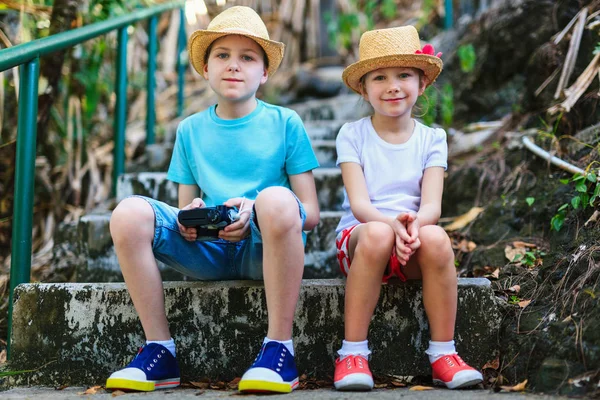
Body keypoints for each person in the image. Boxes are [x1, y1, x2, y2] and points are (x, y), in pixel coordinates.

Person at [105, 6, 320, 394]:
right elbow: (187, 204)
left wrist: (254, 211)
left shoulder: (286, 122)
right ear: (205, 69)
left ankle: (279, 349)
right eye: (222, 55)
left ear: (264, 73)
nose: (233, 66)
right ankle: (160, 350)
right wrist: (192, 219)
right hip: (209, 253)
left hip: (263, 248)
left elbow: (311, 215)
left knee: (275, 199)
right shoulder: (189, 130)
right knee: (128, 213)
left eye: (247, 57)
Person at [332, 25, 483, 391]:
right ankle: (352, 352)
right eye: (379, 77)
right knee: (379, 233)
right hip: (363, 236)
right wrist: (391, 225)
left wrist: (413, 227)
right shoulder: (353, 134)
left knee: (436, 238)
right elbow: (360, 204)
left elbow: (431, 205)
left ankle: (443, 353)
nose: (393, 85)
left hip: (411, 236)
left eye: (404, 75)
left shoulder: (433, 139)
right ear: (363, 89)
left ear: (422, 84)